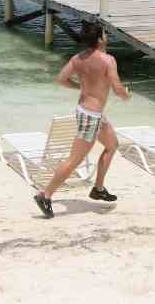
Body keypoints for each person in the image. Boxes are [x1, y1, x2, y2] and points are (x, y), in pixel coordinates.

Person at [33, 22, 130, 219]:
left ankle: (98, 188)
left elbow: (61, 79)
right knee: (74, 159)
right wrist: (125, 94)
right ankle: (45, 194)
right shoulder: (108, 60)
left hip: (86, 111)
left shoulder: (78, 58)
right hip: (90, 116)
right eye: (105, 34)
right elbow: (117, 88)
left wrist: (82, 89)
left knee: (112, 145)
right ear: (101, 39)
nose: (106, 36)